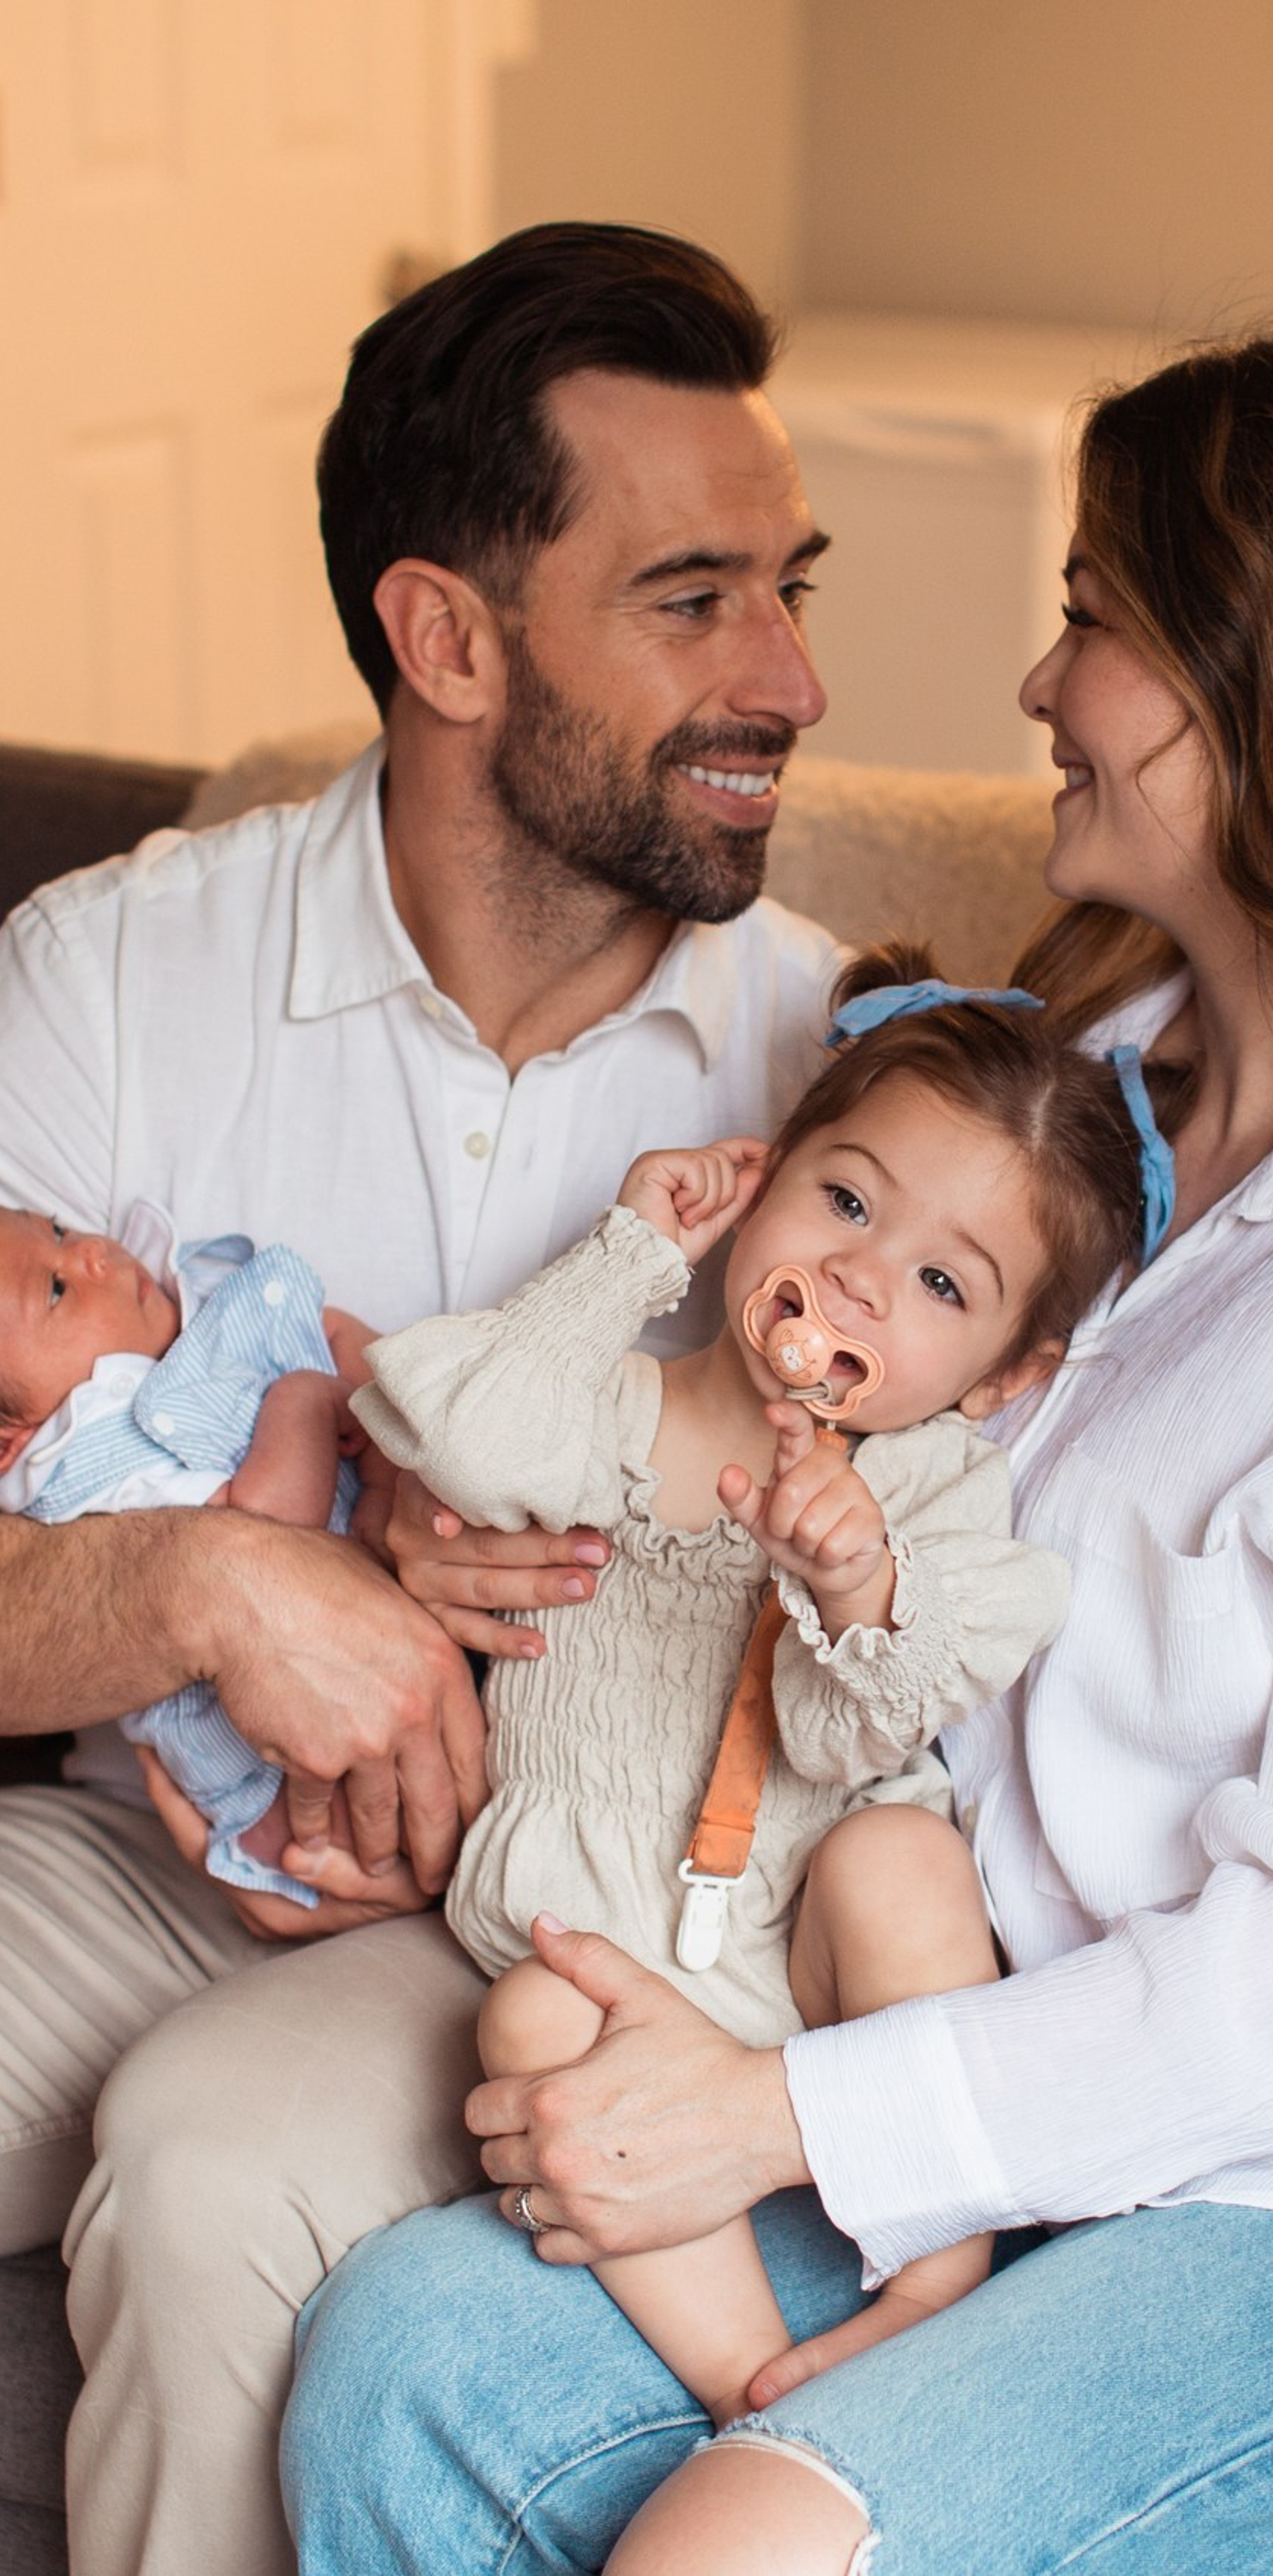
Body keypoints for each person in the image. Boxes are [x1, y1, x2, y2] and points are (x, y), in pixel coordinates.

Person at [287, 327, 1273, 2576]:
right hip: (1050, 2114)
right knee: (403, 2365)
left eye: (1094, 617)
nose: (1039, 684)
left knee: (752, 2542)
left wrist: (761, 2113)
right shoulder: (1072, 1105)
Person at [0, 221, 835, 2576]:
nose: (791, 672)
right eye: (695, 600)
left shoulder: (846, 1075)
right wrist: (204, 1581)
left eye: (790, 583)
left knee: (202, 2163)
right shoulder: (112, 981)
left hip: (568, 1931)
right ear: (445, 638)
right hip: (145, 1856)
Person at [355, 947, 1145, 2423]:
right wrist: (628, 1251)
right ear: (765, 1172)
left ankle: (936, 2279)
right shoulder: (611, 1404)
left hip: (808, 1956)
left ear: (999, 1376)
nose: (854, 1275)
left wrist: (849, 1584)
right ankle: (757, 2390)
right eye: (843, 1199)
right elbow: (454, 1435)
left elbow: (855, 1731)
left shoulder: (924, 1499)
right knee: (524, 2027)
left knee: (902, 1855)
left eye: (935, 1284)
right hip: (603, 1948)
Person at [0, 1198, 387, 1903]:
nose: (91, 1253)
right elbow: (268, 1543)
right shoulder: (92, 1459)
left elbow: (324, 1330)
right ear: (13, 1438)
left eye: (57, 1231)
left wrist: (394, 1401)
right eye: (56, 1290)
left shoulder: (197, 1295)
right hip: (297, 1787)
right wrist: (305, 1400)